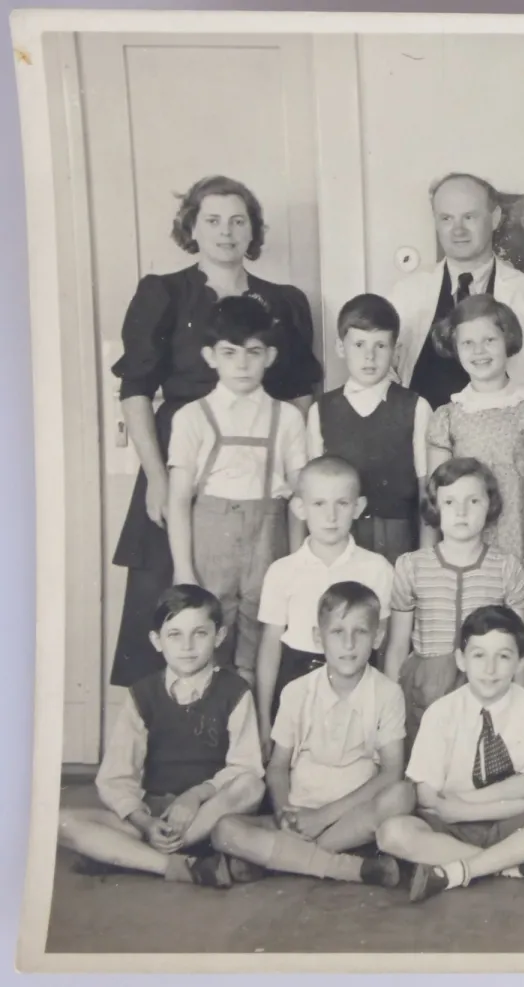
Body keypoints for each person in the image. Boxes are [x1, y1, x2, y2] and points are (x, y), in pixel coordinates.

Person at [107, 175, 322, 688]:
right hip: (180, 462)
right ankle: (170, 721)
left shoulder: (284, 301)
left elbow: (300, 393)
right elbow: (136, 389)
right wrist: (157, 478)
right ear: (192, 229)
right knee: (177, 599)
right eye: (213, 220)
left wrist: (293, 481)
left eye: (238, 221)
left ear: (253, 231)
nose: (226, 232)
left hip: (258, 478)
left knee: (263, 611)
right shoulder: (164, 293)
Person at [376, 606, 524, 902]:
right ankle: (515, 864)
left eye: (503, 657)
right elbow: (427, 798)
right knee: (391, 833)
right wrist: (506, 790)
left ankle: (461, 870)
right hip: (451, 828)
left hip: (513, 820)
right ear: (461, 660)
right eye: (479, 656)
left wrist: (461, 807)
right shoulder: (441, 713)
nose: (490, 669)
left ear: (520, 661)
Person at [58, 586, 264, 887]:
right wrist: (145, 822)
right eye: (175, 635)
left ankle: (129, 855)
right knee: (60, 821)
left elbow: (245, 766)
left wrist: (195, 796)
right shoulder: (142, 694)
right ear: (157, 640)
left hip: (209, 814)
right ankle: (178, 864)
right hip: (155, 815)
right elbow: (115, 777)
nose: (187, 646)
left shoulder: (235, 691)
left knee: (252, 786)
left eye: (200, 633)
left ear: (219, 636)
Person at [212, 582, 411, 887]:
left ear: (378, 637)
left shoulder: (387, 693)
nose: (348, 644)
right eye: (337, 632)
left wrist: (323, 817)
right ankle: (352, 868)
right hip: (298, 817)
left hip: (349, 820)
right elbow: (278, 766)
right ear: (319, 637)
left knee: (403, 795)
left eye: (360, 632)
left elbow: (392, 772)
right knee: (224, 830)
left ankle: (281, 859)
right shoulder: (297, 691)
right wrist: (284, 815)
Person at [165, 295, 309, 681]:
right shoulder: (192, 417)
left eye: (253, 352)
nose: (242, 364)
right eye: (229, 353)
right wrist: (184, 569)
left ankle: (254, 716)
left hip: (268, 543)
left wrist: (298, 563)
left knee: (262, 642)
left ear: (270, 356)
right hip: (210, 548)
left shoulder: (288, 418)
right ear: (210, 356)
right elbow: (178, 501)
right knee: (207, 638)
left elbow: (299, 501)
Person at [390, 171, 524, 427]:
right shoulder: (405, 295)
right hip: (423, 445)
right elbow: (382, 374)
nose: (458, 230)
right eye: (446, 218)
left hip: (510, 445)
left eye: (469, 217)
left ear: (495, 218)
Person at [385, 458, 524, 751]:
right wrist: (388, 707)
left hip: (487, 680)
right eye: (450, 502)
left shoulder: (507, 568)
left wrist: (521, 703)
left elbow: (519, 646)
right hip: (426, 686)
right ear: (435, 507)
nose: (461, 512)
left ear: (490, 505)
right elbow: (397, 645)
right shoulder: (412, 566)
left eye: (473, 501)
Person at [254, 457, 395, 748]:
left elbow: (382, 641)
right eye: (319, 504)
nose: (331, 516)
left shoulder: (376, 568)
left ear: (358, 507)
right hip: (296, 675)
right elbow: (270, 647)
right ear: (299, 508)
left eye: (342, 503)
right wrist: (264, 718)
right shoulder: (283, 571)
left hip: (356, 678)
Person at [425, 294, 524, 556]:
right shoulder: (447, 418)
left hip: (523, 544)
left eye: (489, 340)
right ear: (455, 348)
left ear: (507, 340)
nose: (479, 351)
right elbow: (435, 500)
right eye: (468, 343)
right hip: (465, 551)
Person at [306, 294, 432, 563]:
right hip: (341, 540)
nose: (369, 356)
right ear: (341, 347)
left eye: (381, 345)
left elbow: (426, 489)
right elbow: (314, 490)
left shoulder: (416, 407)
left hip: (401, 539)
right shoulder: (321, 410)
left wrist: (427, 554)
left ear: (395, 351)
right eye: (359, 344)